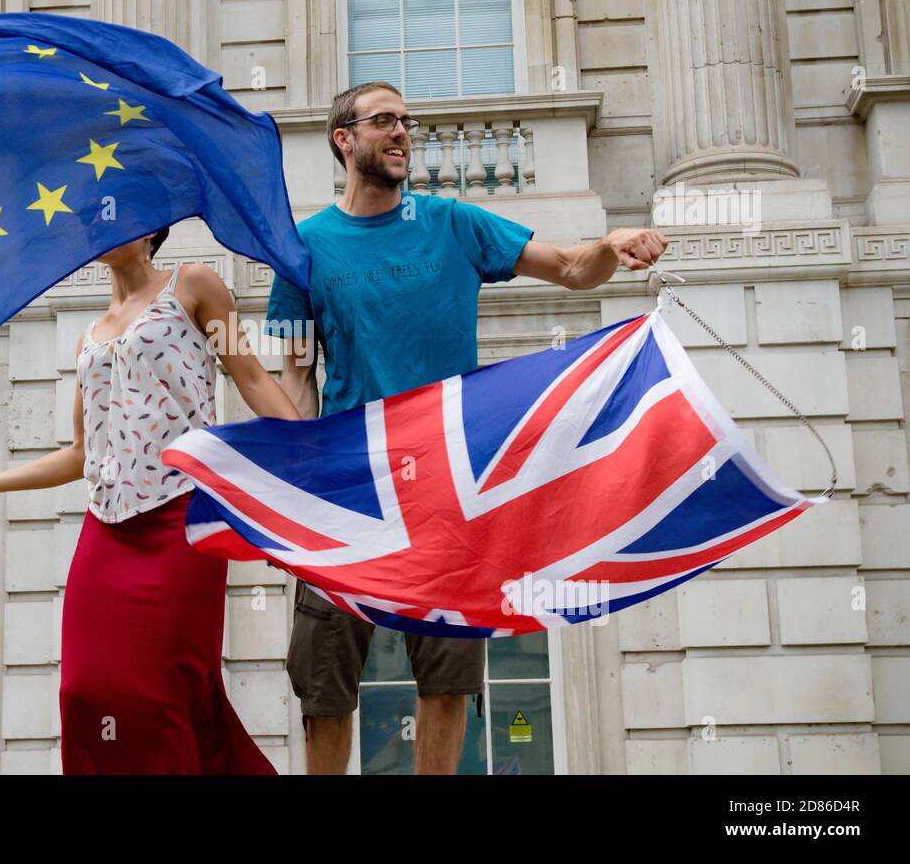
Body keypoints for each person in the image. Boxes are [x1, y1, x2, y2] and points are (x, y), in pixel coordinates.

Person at [266, 80, 669, 774]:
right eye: (384, 121)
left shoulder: (454, 223)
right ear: (344, 140)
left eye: (406, 121)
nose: (401, 133)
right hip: (349, 487)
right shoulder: (304, 249)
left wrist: (610, 243)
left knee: (448, 677)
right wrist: (293, 497)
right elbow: (297, 379)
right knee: (326, 687)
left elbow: (572, 269)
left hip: (448, 487)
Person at [0, 227, 301, 773]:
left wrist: (310, 456)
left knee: (163, 694)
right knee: (84, 691)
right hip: (105, 531)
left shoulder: (193, 286)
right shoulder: (89, 339)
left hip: (181, 520)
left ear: (153, 228)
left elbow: (250, 378)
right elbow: (81, 451)